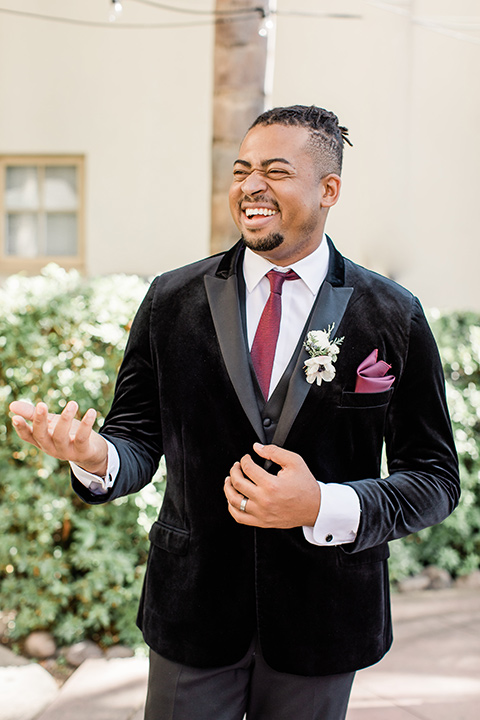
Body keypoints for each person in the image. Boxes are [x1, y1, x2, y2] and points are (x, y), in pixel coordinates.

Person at [10, 105, 459, 720]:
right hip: (192, 614)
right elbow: (137, 438)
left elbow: (435, 478)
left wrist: (323, 506)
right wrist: (98, 457)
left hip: (324, 621)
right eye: (242, 169)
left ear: (329, 190)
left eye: (276, 171)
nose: (250, 186)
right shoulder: (171, 299)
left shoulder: (392, 313)